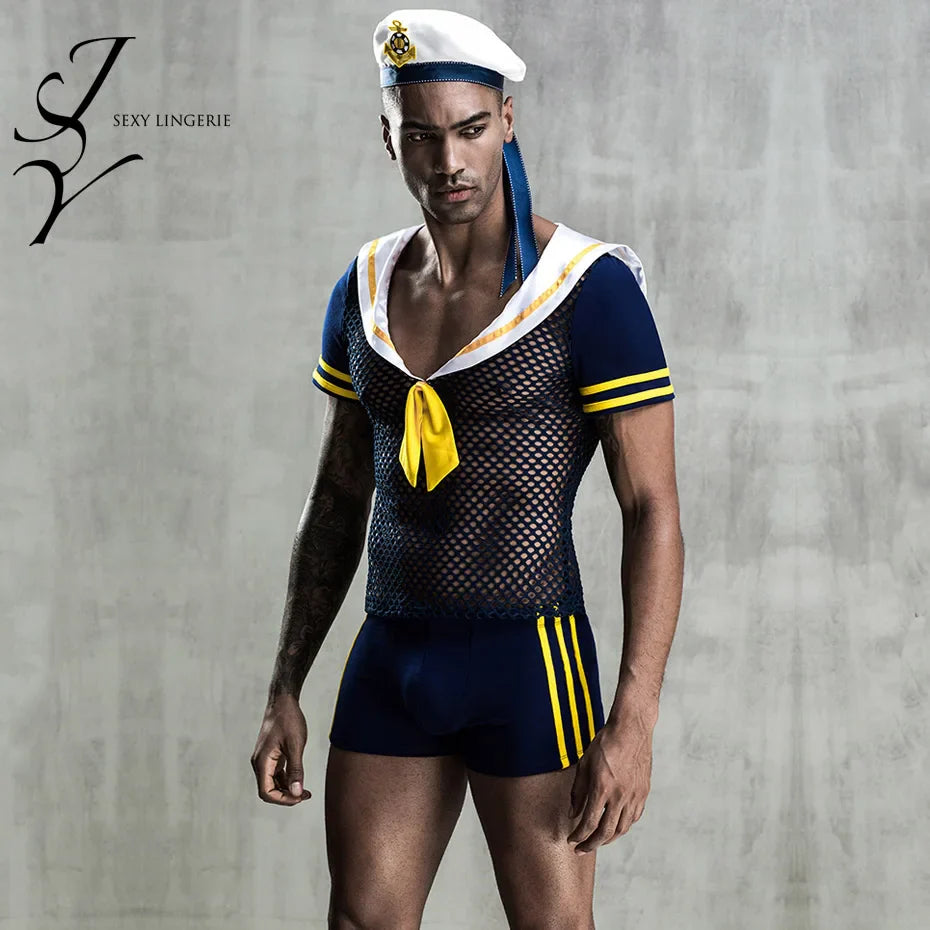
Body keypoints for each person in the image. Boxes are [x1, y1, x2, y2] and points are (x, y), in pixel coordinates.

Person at [251, 8, 684, 929]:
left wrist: (636, 720)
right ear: (389, 138)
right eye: (421, 135)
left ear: (507, 121)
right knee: (361, 921)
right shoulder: (364, 287)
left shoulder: (586, 288)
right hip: (392, 653)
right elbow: (337, 498)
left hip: (529, 659)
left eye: (470, 129)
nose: (448, 160)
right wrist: (285, 683)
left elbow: (652, 508)